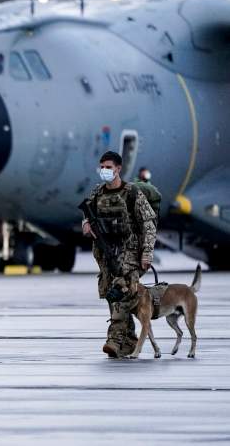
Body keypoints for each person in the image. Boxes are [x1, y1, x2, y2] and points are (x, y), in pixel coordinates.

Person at [82, 151, 157, 358]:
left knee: (122, 294)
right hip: (106, 255)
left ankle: (114, 340)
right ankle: (130, 341)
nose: (105, 170)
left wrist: (147, 254)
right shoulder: (97, 192)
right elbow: (87, 214)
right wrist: (86, 224)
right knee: (111, 295)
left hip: (130, 254)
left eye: (109, 167)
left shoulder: (132, 193)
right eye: (102, 167)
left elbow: (148, 225)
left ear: (118, 169)